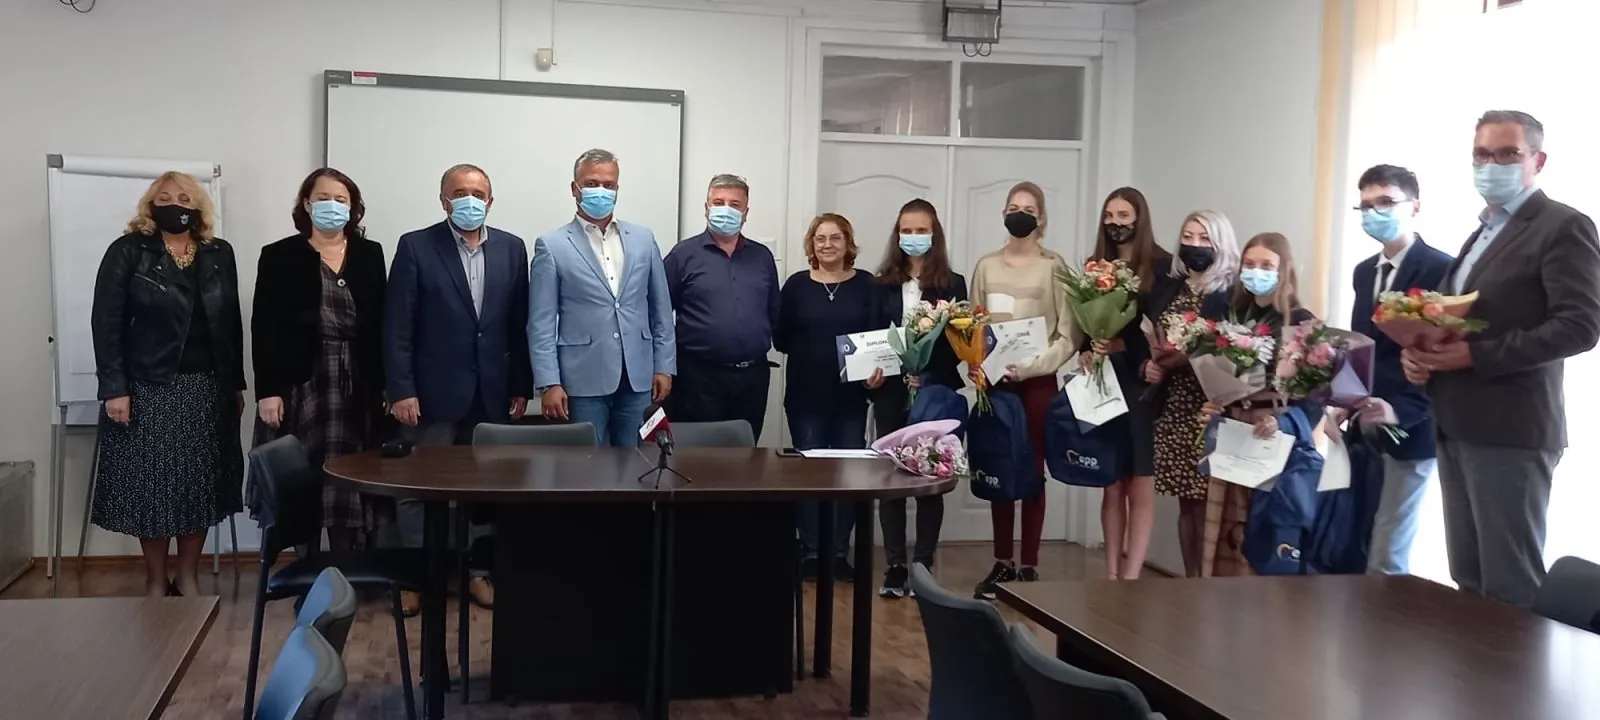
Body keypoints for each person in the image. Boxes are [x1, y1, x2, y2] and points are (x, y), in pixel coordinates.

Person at [1403, 110, 1600, 607]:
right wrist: (1423, 358)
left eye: (1508, 153)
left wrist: (1474, 355)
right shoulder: (1482, 232)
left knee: (1510, 590)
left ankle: (1516, 666)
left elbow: (1580, 326)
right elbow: (1461, 319)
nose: (1492, 165)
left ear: (1538, 160)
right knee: (1468, 580)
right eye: (1482, 155)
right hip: (1456, 423)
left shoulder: (1563, 226)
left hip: (1511, 429)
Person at [90, 171, 245, 599]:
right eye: (165, 197)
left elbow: (230, 325)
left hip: (206, 389)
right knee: (153, 490)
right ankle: (156, 580)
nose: (175, 204)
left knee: (199, 488)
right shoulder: (128, 251)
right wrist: (114, 388)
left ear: (198, 206)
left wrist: (235, 384)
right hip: (148, 387)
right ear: (150, 205)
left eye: (184, 197)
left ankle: (188, 576)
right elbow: (106, 323)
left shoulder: (219, 253)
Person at [386, 163, 532, 613]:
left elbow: (517, 325)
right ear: (444, 200)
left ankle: (477, 573)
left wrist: (520, 384)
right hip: (430, 394)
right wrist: (401, 389)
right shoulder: (415, 246)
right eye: (460, 192)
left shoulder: (512, 248)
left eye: (478, 193)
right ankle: (415, 578)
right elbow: (398, 326)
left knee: (482, 489)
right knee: (416, 487)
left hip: (490, 392)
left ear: (490, 200)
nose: (470, 200)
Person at [251, 168, 389, 553]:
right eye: (323, 198)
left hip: (356, 384)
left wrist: (386, 385)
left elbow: (382, 322)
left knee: (349, 477)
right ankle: (308, 568)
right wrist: (268, 392)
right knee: (303, 479)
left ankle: (345, 569)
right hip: (301, 383)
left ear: (353, 207)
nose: (332, 206)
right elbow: (264, 327)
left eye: (340, 199)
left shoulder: (370, 254)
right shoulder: (279, 256)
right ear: (307, 204)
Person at [969, 181, 1078, 600]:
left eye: (1028, 209)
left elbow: (1067, 335)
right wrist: (977, 363)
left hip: (1037, 382)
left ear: (1041, 218)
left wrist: (1031, 367)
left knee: (1032, 470)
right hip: (996, 383)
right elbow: (973, 325)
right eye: (1013, 207)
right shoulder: (986, 266)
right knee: (1000, 465)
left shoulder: (1054, 267)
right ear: (1003, 213)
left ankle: (1029, 563)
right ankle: (1003, 561)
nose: (1020, 214)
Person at [1344, 164, 1452, 575]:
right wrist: (1343, 402)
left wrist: (1401, 411)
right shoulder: (1363, 272)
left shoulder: (1442, 268)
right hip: (1366, 418)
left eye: (1386, 202)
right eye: (1366, 205)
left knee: (1389, 547)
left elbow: (1440, 354)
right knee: (1356, 532)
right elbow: (1362, 346)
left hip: (1413, 422)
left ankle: (1383, 614)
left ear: (1415, 206)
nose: (1375, 212)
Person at [532, 149, 676, 446]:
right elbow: (541, 323)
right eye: (592, 183)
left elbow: (661, 310)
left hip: (638, 378)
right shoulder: (552, 245)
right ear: (575, 188)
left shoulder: (643, 239)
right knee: (586, 464)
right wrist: (549, 382)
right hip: (581, 380)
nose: (601, 190)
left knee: (638, 461)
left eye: (608, 185)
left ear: (617, 188)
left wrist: (664, 365)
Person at [863, 198, 967, 598]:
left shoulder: (953, 283)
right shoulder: (881, 284)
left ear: (934, 234)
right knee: (891, 479)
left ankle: (923, 564)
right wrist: (872, 376)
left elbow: (959, 344)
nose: (913, 237)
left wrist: (928, 372)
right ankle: (895, 565)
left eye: (921, 230)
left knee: (929, 477)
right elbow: (872, 338)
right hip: (890, 393)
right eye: (907, 230)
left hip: (935, 393)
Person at [1199, 232, 1317, 577]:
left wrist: (1284, 422)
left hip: (1273, 436)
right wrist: (1215, 405)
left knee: (1263, 531)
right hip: (1232, 430)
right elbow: (1218, 376)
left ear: (1284, 269)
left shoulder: (1300, 322)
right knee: (1225, 531)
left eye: (1267, 265)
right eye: (1249, 264)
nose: (1256, 272)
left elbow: (1316, 399)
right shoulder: (1231, 317)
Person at [1073, 187, 1169, 580]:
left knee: (1140, 483)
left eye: (1123, 215)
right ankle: (1111, 573)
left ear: (1139, 218)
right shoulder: (1096, 267)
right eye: (1109, 216)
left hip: (1143, 384)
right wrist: (1087, 350)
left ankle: (1131, 577)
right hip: (1106, 383)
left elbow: (1162, 329)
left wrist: (1126, 348)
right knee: (1111, 482)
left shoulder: (1162, 266)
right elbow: (1087, 321)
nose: (1115, 223)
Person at [776, 213, 875, 580]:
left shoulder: (867, 285)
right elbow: (780, 338)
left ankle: (838, 552)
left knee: (847, 476)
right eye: (820, 238)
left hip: (852, 400)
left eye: (835, 238)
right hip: (805, 398)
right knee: (810, 476)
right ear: (811, 244)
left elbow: (879, 337)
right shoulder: (796, 286)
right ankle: (812, 551)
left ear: (848, 243)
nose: (827, 244)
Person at [1145, 211, 1238, 577]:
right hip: (1174, 405)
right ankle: (1191, 581)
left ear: (1220, 243)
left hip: (1212, 406)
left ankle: (1212, 584)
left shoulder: (1231, 292)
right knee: (1187, 504)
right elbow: (1149, 336)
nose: (1194, 244)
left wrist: (1195, 354)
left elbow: (1239, 350)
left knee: (1211, 503)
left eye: (1204, 237)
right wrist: (1151, 364)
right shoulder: (1170, 286)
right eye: (1188, 236)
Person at [663, 174, 779, 441]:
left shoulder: (762, 257)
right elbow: (659, 313)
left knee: (745, 449)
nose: (726, 210)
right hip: (698, 377)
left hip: (752, 377)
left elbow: (773, 310)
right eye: (718, 202)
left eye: (734, 204)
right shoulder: (683, 255)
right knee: (698, 455)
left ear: (746, 213)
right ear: (706, 209)